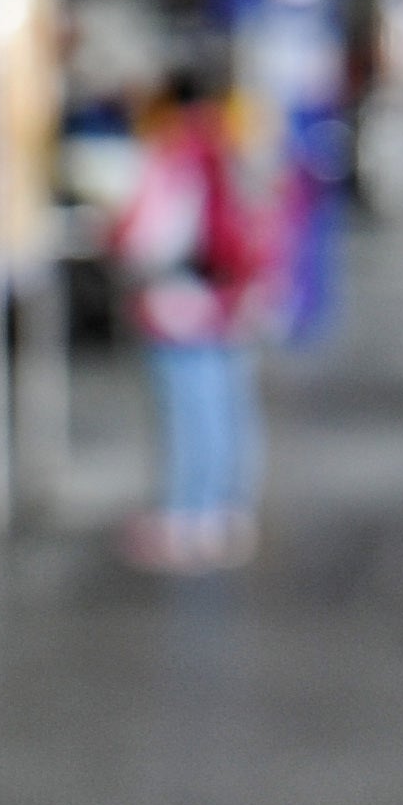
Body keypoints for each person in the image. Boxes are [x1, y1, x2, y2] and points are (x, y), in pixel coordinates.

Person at [111, 72, 275, 572]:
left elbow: (146, 241)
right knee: (229, 415)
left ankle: (186, 522)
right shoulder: (233, 152)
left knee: (188, 419)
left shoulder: (171, 159)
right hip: (231, 305)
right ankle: (228, 515)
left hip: (179, 307)